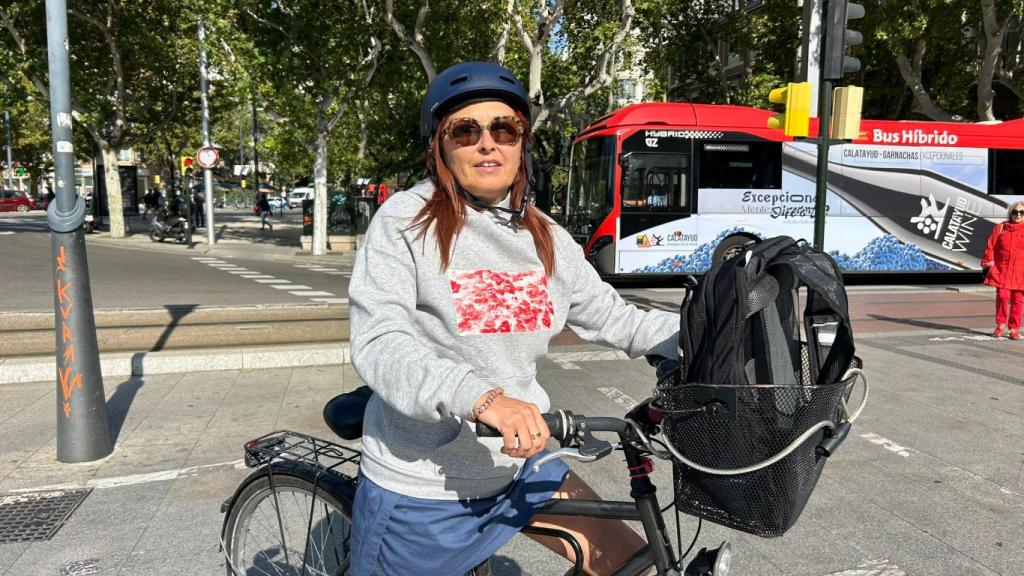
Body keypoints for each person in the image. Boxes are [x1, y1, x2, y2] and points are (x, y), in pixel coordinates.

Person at [347, 61, 679, 576]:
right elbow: (381, 340)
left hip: (522, 462)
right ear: (440, 144)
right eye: (466, 130)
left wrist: (704, 337)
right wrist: (483, 398)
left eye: (504, 129)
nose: (488, 144)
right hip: (425, 482)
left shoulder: (544, 234)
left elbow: (616, 317)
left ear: (522, 142)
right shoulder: (404, 222)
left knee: (628, 564)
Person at [982, 202, 1024, 339]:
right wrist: (990, 264)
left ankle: (1014, 329)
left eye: (1022, 212)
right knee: (1002, 296)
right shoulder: (1000, 228)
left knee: (1018, 300)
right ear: (1010, 213)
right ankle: (1000, 324)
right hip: (1002, 269)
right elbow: (990, 246)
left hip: (1020, 271)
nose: (1018, 215)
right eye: (1015, 212)